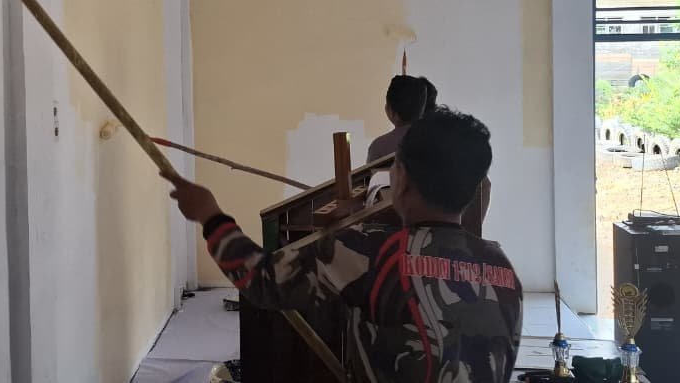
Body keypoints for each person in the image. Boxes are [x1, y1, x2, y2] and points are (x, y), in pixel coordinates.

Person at [163, 109, 523, 383]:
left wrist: (209, 215)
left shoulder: (369, 251)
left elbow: (261, 280)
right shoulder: (503, 269)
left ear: (401, 181)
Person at [367, 75, 436, 163]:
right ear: (422, 109)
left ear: (391, 111)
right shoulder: (435, 140)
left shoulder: (378, 146)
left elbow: (371, 172)